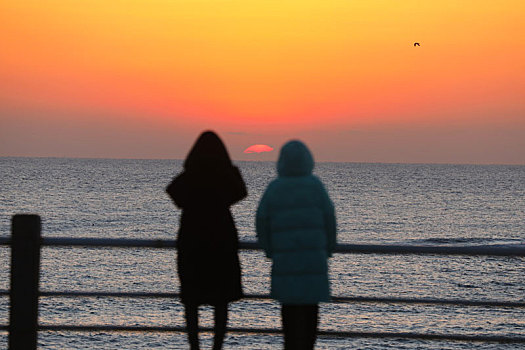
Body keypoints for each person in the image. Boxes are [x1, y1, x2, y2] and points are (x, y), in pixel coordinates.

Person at [166, 131, 247, 350]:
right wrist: (229, 169)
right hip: (221, 242)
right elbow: (241, 192)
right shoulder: (224, 177)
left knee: (191, 300)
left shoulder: (191, 176)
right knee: (221, 300)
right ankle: (217, 346)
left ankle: (194, 346)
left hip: (192, 243)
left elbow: (173, 192)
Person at [256, 140, 336, 349]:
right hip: (313, 263)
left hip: (285, 263)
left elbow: (261, 220)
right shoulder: (316, 186)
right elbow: (330, 218)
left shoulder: (275, 187)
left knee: (289, 322)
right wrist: (329, 248)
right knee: (310, 318)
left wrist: (269, 250)